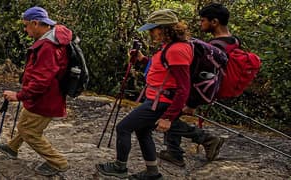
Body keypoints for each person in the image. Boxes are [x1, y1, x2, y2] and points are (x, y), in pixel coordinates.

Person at [96, 9, 192, 179]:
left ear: (164, 28)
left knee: (123, 127)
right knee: (142, 131)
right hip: (156, 99)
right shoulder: (169, 48)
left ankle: (120, 167)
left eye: (153, 29)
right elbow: (162, 69)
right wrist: (142, 59)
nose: (150, 33)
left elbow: (184, 87)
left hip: (161, 101)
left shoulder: (176, 50)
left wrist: (168, 117)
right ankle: (152, 172)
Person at [0, 6, 72, 176]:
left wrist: (19, 95)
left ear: (36, 23)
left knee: (29, 131)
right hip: (46, 97)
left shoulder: (48, 47)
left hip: (45, 99)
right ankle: (12, 147)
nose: (25, 29)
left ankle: (58, 162)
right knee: (26, 121)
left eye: (26, 25)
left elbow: (41, 81)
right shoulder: (54, 38)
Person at [157, 3, 229, 167]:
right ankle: (174, 151)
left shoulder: (218, 45)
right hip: (202, 88)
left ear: (215, 22)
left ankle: (206, 139)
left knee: (166, 116)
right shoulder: (226, 42)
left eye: (203, 20)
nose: (200, 24)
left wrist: (191, 102)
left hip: (195, 90)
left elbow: (196, 73)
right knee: (171, 115)